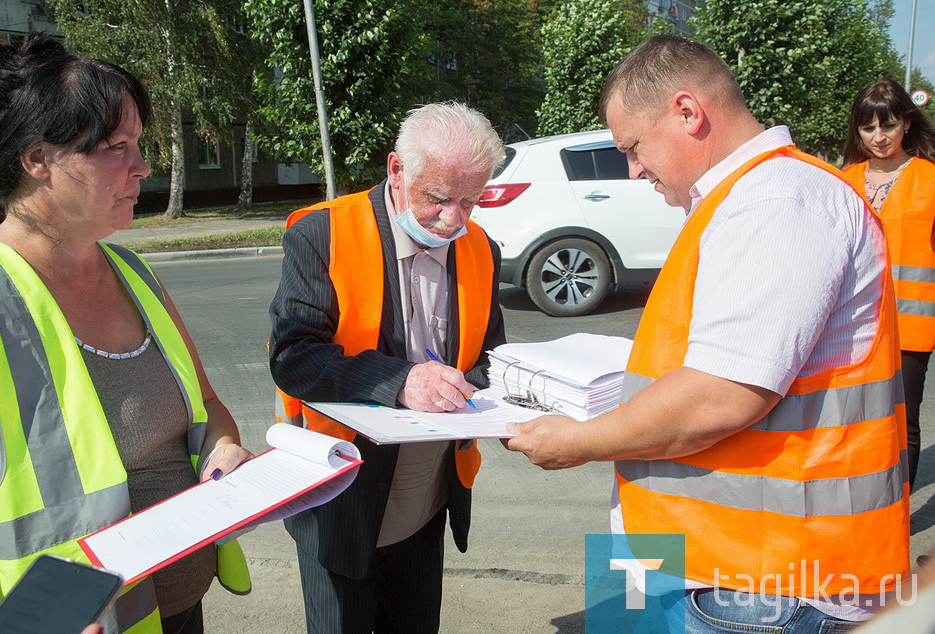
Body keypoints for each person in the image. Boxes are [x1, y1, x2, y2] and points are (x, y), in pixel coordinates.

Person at [506, 35, 910, 631]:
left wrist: (580, 440)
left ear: (688, 113)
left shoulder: (775, 201)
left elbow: (723, 393)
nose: (633, 168)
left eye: (634, 147)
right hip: (730, 564)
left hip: (767, 585)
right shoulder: (748, 198)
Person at [0, 34, 253, 633]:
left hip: (181, 612)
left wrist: (221, 450)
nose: (143, 166)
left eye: (138, 144)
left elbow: (205, 405)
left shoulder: (134, 275)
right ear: (37, 160)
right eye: (116, 147)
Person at [269, 101, 506, 633]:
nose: (455, 221)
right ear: (397, 171)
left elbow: (489, 356)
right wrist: (403, 383)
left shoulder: (480, 248)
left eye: (472, 200)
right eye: (440, 199)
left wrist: (516, 401)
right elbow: (294, 358)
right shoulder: (322, 235)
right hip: (341, 500)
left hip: (426, 500)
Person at [842, 78, 935, 491]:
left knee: (903, 424)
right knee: (854, 422)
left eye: (889, 125)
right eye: (868, 128)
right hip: (853, 324)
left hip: (911, 326)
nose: (879, 137)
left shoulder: (929, 179)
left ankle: (898, 524)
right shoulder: (845, 179)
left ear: (907, 125)